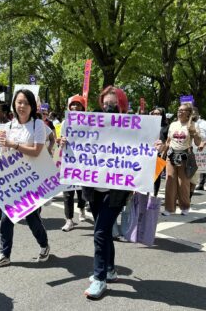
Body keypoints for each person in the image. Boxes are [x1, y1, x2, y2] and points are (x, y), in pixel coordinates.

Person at [0, 89, 50, 269]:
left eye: (25, 103)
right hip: (13, 181)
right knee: (7, 218)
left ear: (32, 106)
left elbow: (37, 151)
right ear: (14, 104)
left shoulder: (38, 125)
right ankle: (4, 254)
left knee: (32, 219)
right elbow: (5, 154)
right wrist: (2, 146)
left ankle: (44, 245)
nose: (21, 106)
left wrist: (13, 144)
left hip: (32, 179)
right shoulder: (8, 126)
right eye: (19, 102)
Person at [81, 86, 130, 299]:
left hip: (116, 190)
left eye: (113, 104)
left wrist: (156, 147)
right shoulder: (91, 123)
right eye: (106, 103)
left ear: (122, 105)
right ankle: (109, 270)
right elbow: (81, 146)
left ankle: (100, 278)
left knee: (100, 232)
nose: (108, 107)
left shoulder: (132, 128)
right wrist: (68, 143)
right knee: (106, 230)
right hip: (95, 189)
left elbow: (142, 153)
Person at [163, 103, 201, 216]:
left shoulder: (193, 125)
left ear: (188, 113)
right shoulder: (173, 124)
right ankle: (169, 209)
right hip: (171, 156)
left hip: (185, 157)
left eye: (183, 110)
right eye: (179, 110)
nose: (180, 112)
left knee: (183, 184)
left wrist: (193, 132)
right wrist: (163, 153)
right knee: (170, 183)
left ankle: (184, 207)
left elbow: (198, 143)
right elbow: (168, 141)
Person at [61, 95, 86, 232]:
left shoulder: (88, 123)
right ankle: (69, 220)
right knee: (68, 193)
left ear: (83, 108)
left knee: (81, 192)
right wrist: (62, 141)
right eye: (73, 105)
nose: (75, 107)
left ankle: (82, 208)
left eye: (78, 105)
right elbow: (60, 139)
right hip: (69, 161)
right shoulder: (65, 122)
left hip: (83, 163)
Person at [150, 107, 169, 196]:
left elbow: (168, 141)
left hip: (159, 154)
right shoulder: (148, 125)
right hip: (147, 153)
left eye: (158, 114)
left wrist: (163, 152)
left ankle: (154, 194)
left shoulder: (166, 127)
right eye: (154, 113)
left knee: (156, 176)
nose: (156, 115)